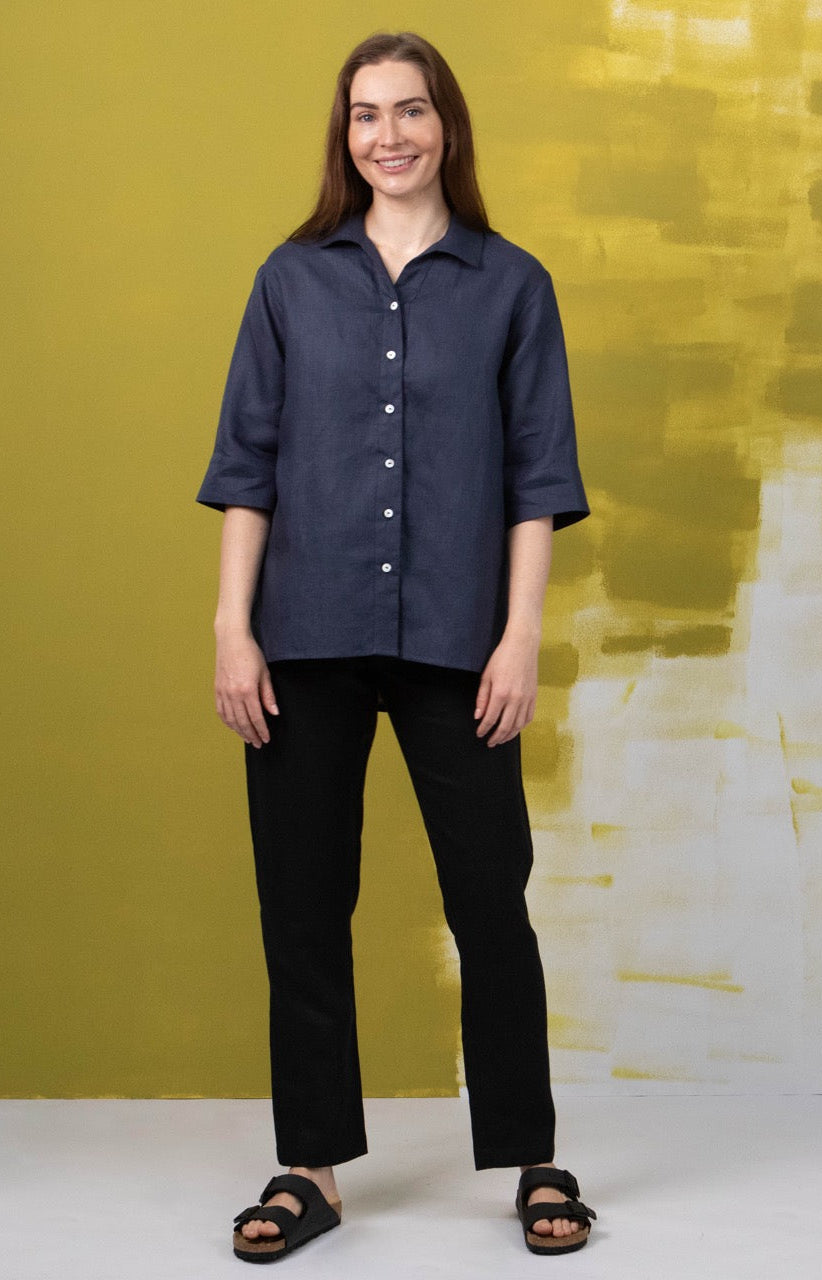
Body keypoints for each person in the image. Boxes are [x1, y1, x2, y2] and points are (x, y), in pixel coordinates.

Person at [196, 29, 597, 1262]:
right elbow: (248, 464)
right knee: (302, 904)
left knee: (490, 901)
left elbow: (535, 477)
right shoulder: (288, 280)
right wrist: (231, 627)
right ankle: (309, 1167)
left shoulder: (511, 284)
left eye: (409, 110)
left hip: (456, 638)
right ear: (345, 136)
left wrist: (519, 635)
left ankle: (533, 1157)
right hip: (303, 633)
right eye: (365, 114)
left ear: (446, 125)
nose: (388, 135)